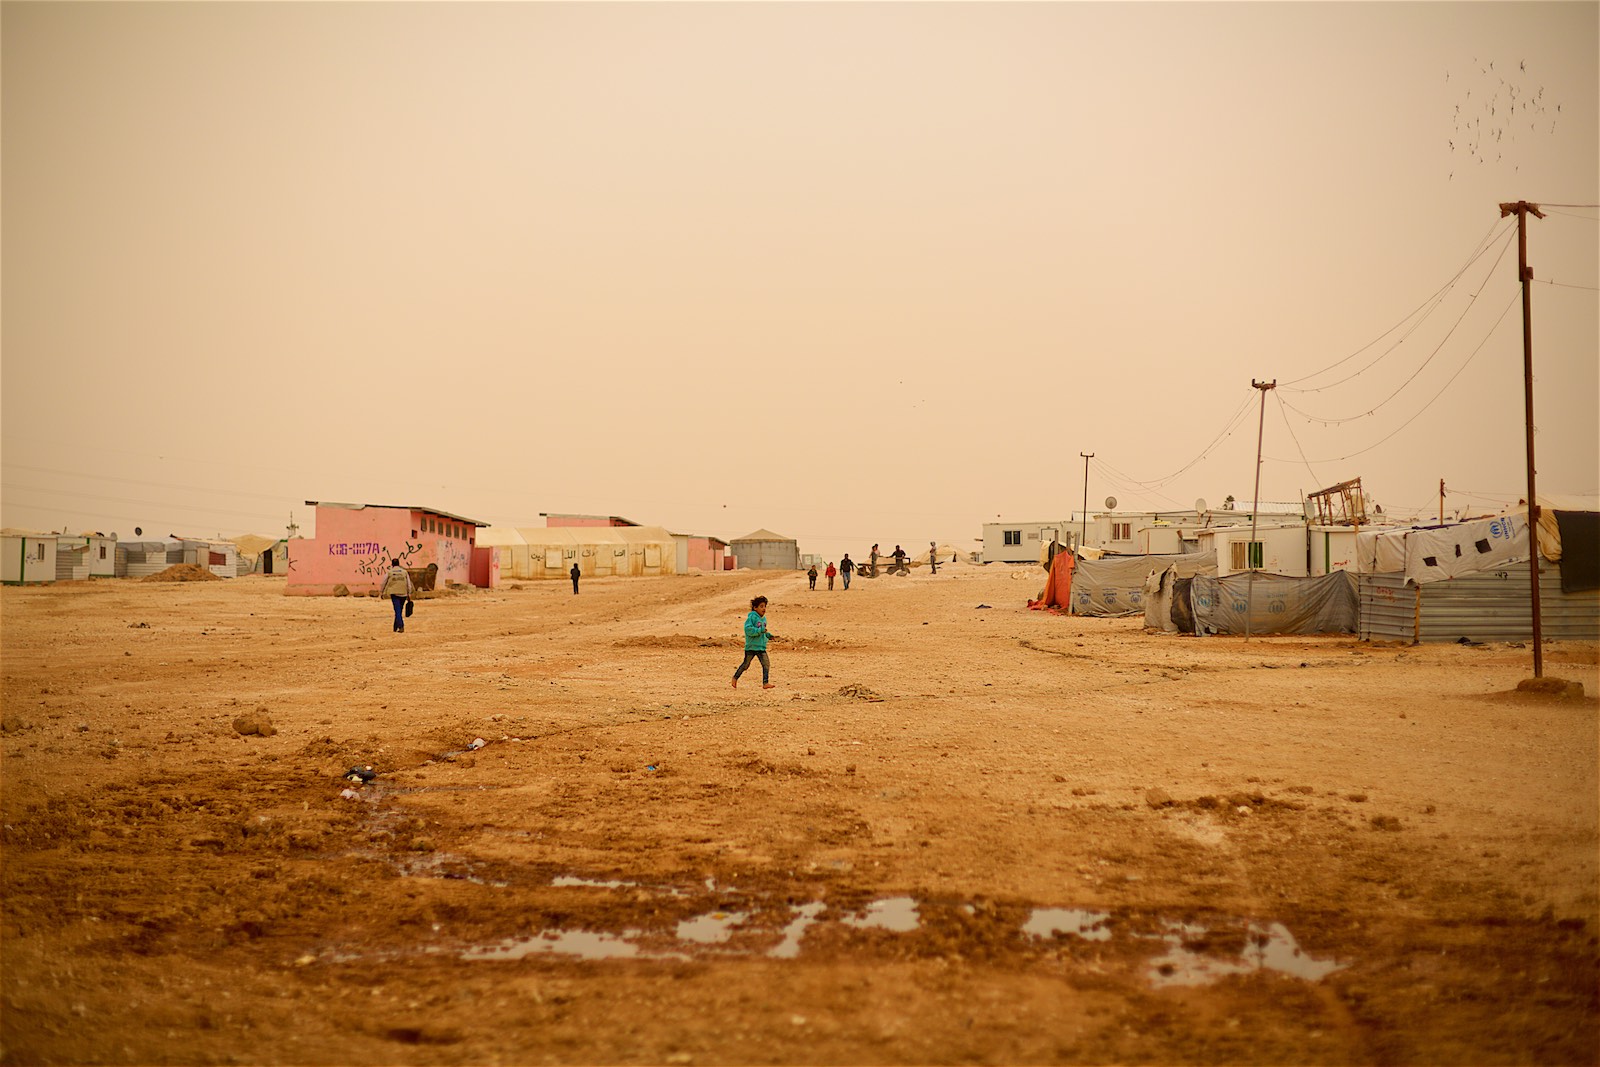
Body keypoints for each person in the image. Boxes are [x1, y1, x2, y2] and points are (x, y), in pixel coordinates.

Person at [732, 595, 775, 689]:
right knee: (746, 665)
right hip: (751, 647)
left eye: (765, 606)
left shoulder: (763, 619)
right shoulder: (751, 618)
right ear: (755, 608)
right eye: (761, 606)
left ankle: (765, 683)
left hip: (761, 647)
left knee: (766, 664)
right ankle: (735, 677)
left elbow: (763, 631)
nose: (764, 609)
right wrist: (759, 631)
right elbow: (748, 630)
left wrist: (768, 635)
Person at [379, 558, 416, 633]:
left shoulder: (389, 572)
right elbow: (409, 584)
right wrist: (409, 593)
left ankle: (401, 626)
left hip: (394, 593)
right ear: (399, 564)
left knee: (397, 610)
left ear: (392, 564)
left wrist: (381, 592)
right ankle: (395, 627)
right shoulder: (404, 572)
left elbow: (383, 583)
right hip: (404, 593)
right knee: (399, 610)